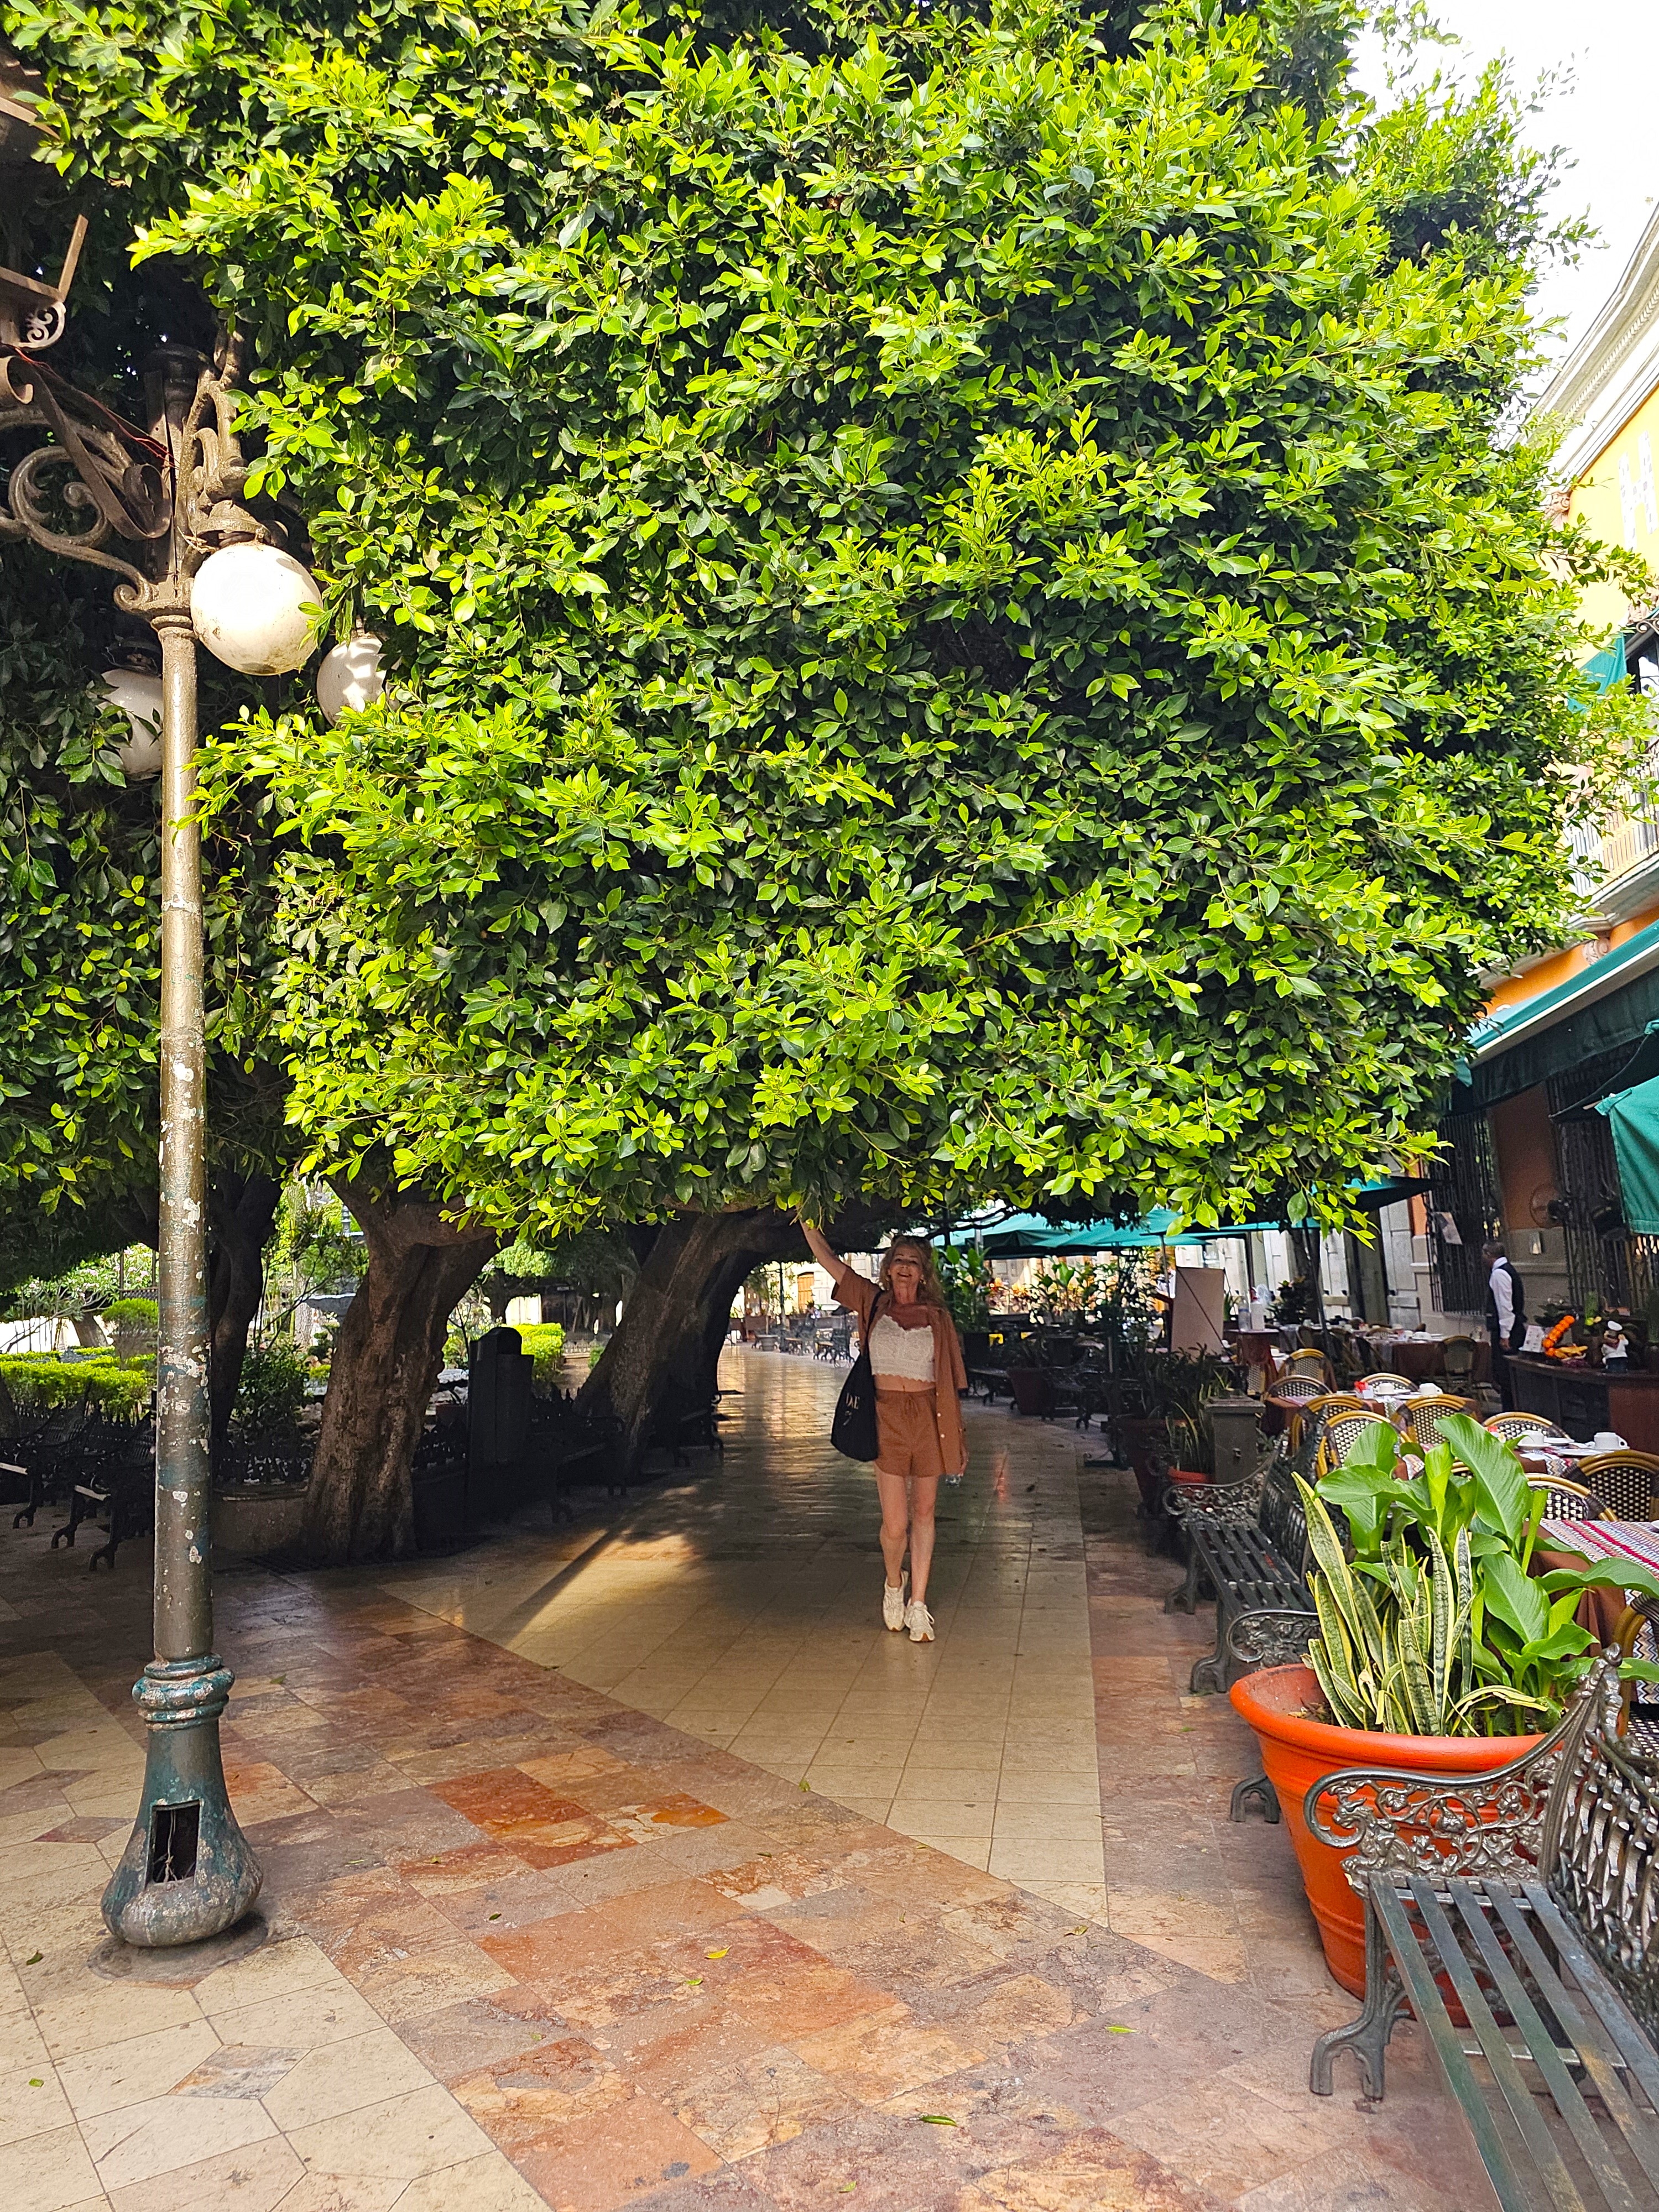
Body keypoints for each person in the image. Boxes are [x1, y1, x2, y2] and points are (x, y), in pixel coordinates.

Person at [797, 1218, 968, 1642]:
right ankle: (895, 1582)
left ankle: (919, 1604)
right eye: (899, 1260)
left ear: (924, 1273)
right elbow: (829, 1261)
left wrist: (958, 1439)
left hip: (929, 1419)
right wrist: (806, 1216)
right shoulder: (873, 1303)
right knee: (895, 1525)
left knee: (925, 1513)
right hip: (886, 1416)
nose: (906, 1267)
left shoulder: (938, 1317)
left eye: (914, 1261)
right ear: (888, 1269)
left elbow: (950, 1382)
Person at [1483, 1239, 1526, 1408]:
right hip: (1512, 1327)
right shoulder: (1508, 1270)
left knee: (1505, 1376)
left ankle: (1510, 1411)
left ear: (1489, 1255)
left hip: (1509, 1330)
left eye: (1484, 1254)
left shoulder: (1499, 1274)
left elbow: (1505, 1306)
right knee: (1508, 1376)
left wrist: (1505, 1335)